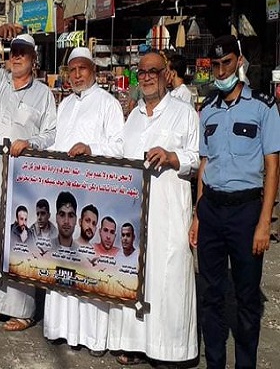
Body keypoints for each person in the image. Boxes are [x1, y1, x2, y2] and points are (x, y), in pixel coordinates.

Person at [189, 35, 280, 369]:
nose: (221, 70)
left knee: (245, 299)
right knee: (211, 297)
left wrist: (264, 222)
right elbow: (204, 164)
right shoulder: (207, 110)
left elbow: (273, 168)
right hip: (212, 209)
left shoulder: (263, 107)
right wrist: (198, 213)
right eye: (215, 65)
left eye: (227, 62)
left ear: (239, 62)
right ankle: (214, 363)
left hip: (245, 213)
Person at [108, 52, 199, 366]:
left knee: (169, 278)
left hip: (169, 211)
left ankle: (170, 351)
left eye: (152, 72)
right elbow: (119, 154)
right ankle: (134, 344)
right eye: (141, 72)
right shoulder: (133, 116)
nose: (146, 77)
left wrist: (173, 157)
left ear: (167, 73)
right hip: (135, 212)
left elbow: (197, 157)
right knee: (136, 275)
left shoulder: (184, 113)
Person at [0, 23, 56, 331]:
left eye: (24, 53)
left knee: (21, 236)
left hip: (24, 181)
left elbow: (52, 134)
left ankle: (23, 309)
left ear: (34, 59)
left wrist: (31, 143)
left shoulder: (44, 94)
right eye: (14, 52)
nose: (17, 57)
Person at [43, 46, 123, 355]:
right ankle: (60, 328)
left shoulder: (108, 104)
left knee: (90, 264)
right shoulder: (63, 106)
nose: (77, 75)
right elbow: (56, 143)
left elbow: (119, 146)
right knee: (63, 259)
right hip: (65, 196)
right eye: (72, 70)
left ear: (93, 71)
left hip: (93, 194)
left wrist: (90, 147)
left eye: (82, 69)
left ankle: (91, 336)